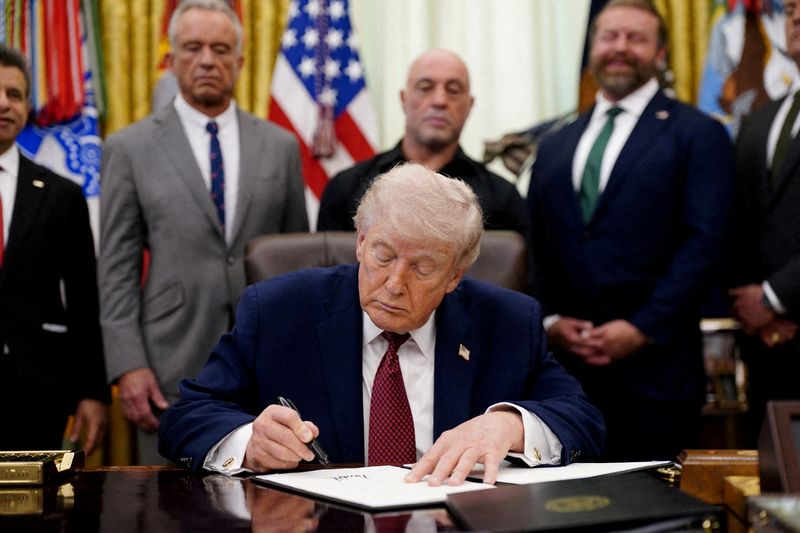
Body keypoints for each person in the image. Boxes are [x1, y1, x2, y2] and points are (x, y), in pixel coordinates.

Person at [159, 163, 604, 485]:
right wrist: (247, 441)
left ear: (455, 277)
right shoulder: (279, 310)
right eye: (383, 255)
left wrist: (510, 425)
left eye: (423, 268)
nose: (394, 283)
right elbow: (187, 417)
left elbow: (584, 421)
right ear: (360, 242)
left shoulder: (507, 321)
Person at [98, 0, 308, 464]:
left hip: (269, 368)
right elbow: (115, 270)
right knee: (167, 510)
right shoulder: (129, 148)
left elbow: (298, 264)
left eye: (220, 48)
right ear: (170, 60)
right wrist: (128, 366)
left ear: (240, 60)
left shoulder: (280, 146)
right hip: (169, 366)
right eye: (192, 48)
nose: (207, 60)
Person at [527, 0, 734, 460]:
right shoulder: (557, 142)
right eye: (609, 36)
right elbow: (537, 243)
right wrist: (551, 322)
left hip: (657, 371)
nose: (620, 48)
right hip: (563, 377)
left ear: (661, 54)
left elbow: (707, 243)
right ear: (592, 47)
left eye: (635, 38)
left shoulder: (698, 134)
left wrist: (642, 327)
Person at [0, 44, 108, 452]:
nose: (4, 104)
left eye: (14, 94)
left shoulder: (61, 195)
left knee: (39, 513)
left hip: (37, 391)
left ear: (27, 105)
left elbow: (84, 300)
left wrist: (93, 392)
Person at [316, 49, 529, 240]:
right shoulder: (347, 188)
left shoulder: (503, 198)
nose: (439, 100)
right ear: (404, 99)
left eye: (453, 90)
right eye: (425, 87)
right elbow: (331, 278)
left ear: (469, 105)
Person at [729, 0, 800, 444]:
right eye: (792, 10)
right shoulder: (759, 119)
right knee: (772, 499)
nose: (795, 18)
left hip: (785, 315)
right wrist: (752, 305)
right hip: (767, 347)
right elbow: (738, 222)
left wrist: (776, 297)